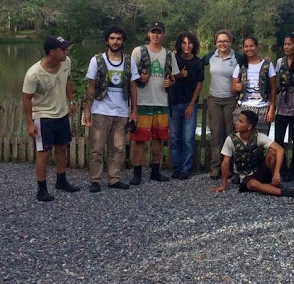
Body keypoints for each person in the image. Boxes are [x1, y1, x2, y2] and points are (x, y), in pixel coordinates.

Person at [22, 35, 80, 202]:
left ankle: (61, 180)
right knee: (44, 152)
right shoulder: (34, 73)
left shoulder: (66, 62)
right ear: (52, 52)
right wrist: (29, 123)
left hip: (61, 113)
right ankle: (41, 189)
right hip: (43, 116)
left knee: (62, 147)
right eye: (62, 49)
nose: (66, 52)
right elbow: (26, 98)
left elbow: (68, 81)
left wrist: (71, 100)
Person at [84, 25, 140, 192]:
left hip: (121, 111)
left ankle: (114, 179)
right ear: (107, 40)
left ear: (123, 41)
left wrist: (134, 110)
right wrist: (87, 109)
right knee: (97, 148)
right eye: (112, 38)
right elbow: (91, 86)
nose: (115, 42)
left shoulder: (129, 61)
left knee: (118, 148)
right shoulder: (97, 60)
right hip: (101, 110)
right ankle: (95, 180)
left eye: (119, 39)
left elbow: (133, 87)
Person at [129, 21, 178, 185]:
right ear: (148, 33)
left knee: (159, 138)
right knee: (140, 139)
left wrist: (170, 82)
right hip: (143, 100)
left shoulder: (169, 54)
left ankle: (155, 171)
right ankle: (137, 173)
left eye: (159, 32)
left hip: (161, 102)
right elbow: (129, 75)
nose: (156, 35)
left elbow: (174, 76)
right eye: (153, 32)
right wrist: (138, 78)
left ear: (163, 34)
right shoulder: (139, 51)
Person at [211, 110, 294, 198]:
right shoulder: (230, 140)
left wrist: (277, 173)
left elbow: (280, 150)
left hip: (261, 171)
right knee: (253, 184)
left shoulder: (259, 137)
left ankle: (274, 181)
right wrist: (223, 185)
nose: (236, 123)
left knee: (272, 152)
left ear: (249, 126)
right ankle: (284, 192)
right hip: (247, 176)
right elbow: (225, 163)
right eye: (237, 120)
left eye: (240, 121)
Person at [203, 29, 244, 179]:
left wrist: (265, 60)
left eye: (225, 41)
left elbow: (253, 62)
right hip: (214, 99)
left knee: (230, 133)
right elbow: (194, 62)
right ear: (216, 42)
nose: (223, 44)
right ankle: (215, 167)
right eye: (220, 41)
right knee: (216, 133)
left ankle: (230, 167)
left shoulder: (238, 57)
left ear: (230, 42)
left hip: (231, 99)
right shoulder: (209, 57)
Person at [169, 31, 204, 180]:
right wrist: (178, 75)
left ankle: (186, 169)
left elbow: (199, 85)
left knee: (188, 138)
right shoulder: (173, 59)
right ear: (180, 44)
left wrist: (191, 104)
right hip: (173, 103)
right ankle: (176, 167)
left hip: (190, 104)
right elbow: (167, 78)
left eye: (189, 43)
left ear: (194, 45)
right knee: (175, 137)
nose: (187, 45)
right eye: (183, 43)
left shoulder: (198, 62)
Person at [274, 33, 294, 182]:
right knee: (278, 137)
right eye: (285, 44)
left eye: (289, 44)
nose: (286, 47)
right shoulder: (280, 62)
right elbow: (277, 83)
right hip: (282, 103)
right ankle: (281, 167)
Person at [231, 36, 277, 136]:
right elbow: (233, 89)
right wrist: (236, 87)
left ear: (257, 47)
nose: (249, 49)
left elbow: (273, 89)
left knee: (261, 139)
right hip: (243, 107)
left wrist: (272, 108)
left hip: (262, 108)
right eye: (246, 46)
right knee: (241, 138)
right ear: (243, 48)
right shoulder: (240, 65)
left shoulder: (267, 65)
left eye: (251, 46)